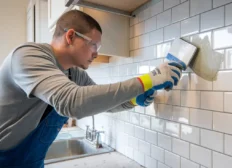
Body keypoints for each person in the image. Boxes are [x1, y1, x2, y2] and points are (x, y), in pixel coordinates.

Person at [0, 10, 182, 168]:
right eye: (94, 45)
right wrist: (148, 79)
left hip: (31, 162)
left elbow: (102, 102)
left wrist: (134, 99)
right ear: (70, 36)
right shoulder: (27, 56)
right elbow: (73, 102)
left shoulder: (73, 73)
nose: (96, 53)